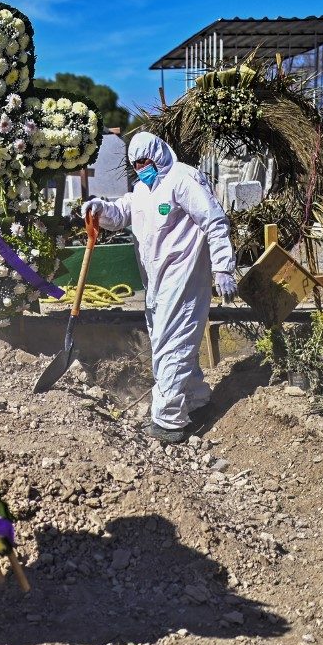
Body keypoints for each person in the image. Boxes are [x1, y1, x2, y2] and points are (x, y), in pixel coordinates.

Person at [83, 132, 236, 444]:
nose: (141, 168)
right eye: (136, 164)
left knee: (171, 346)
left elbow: (214, 220)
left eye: (145, 161)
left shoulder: (182, 179)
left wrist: (222, 266)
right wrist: (100, 208)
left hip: (183, 279)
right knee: (169, 343)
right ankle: (196, 400)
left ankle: (168, 421)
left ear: (158, 155)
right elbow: (122, 213)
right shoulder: (143, 189)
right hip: (156, 283)